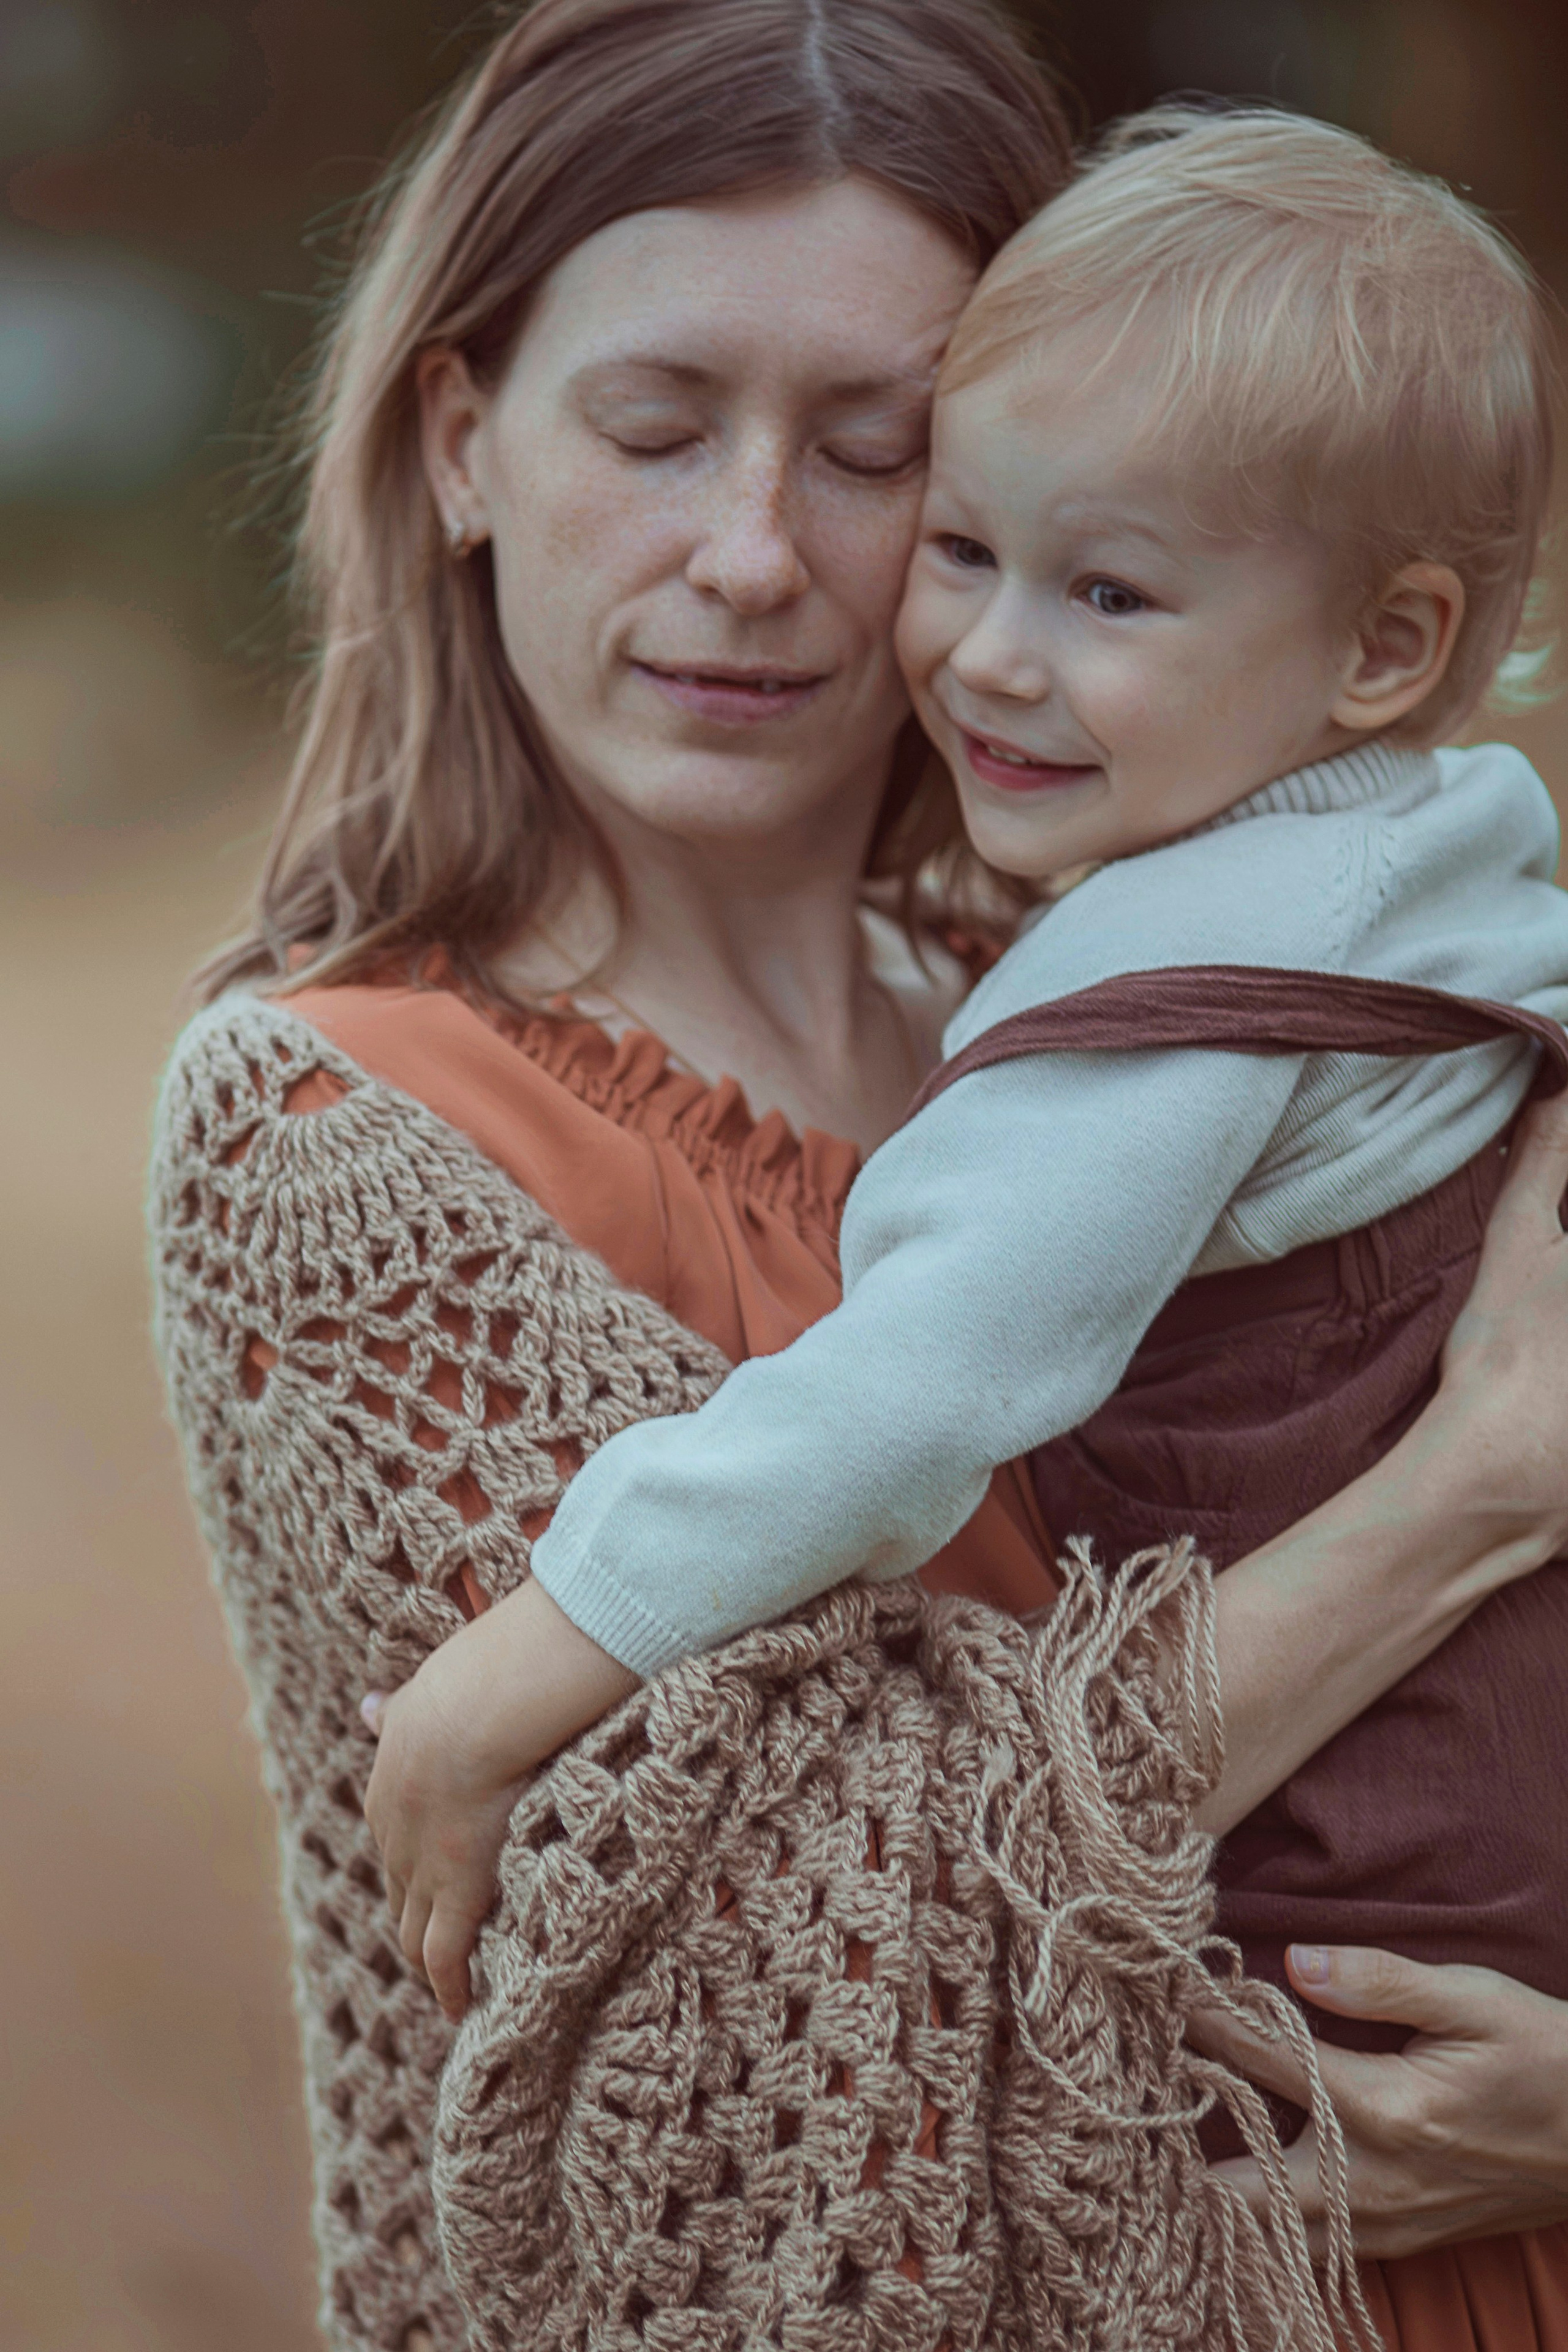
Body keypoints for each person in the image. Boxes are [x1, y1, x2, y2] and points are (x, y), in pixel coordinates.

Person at [148, 5, 1568, 2346]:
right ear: (465, 435)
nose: (753, 555)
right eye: (657, 423)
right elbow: (836, 1953)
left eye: (873, 452)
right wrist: (1487, 1483)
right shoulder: (348, 1133)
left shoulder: (1181, 1028)